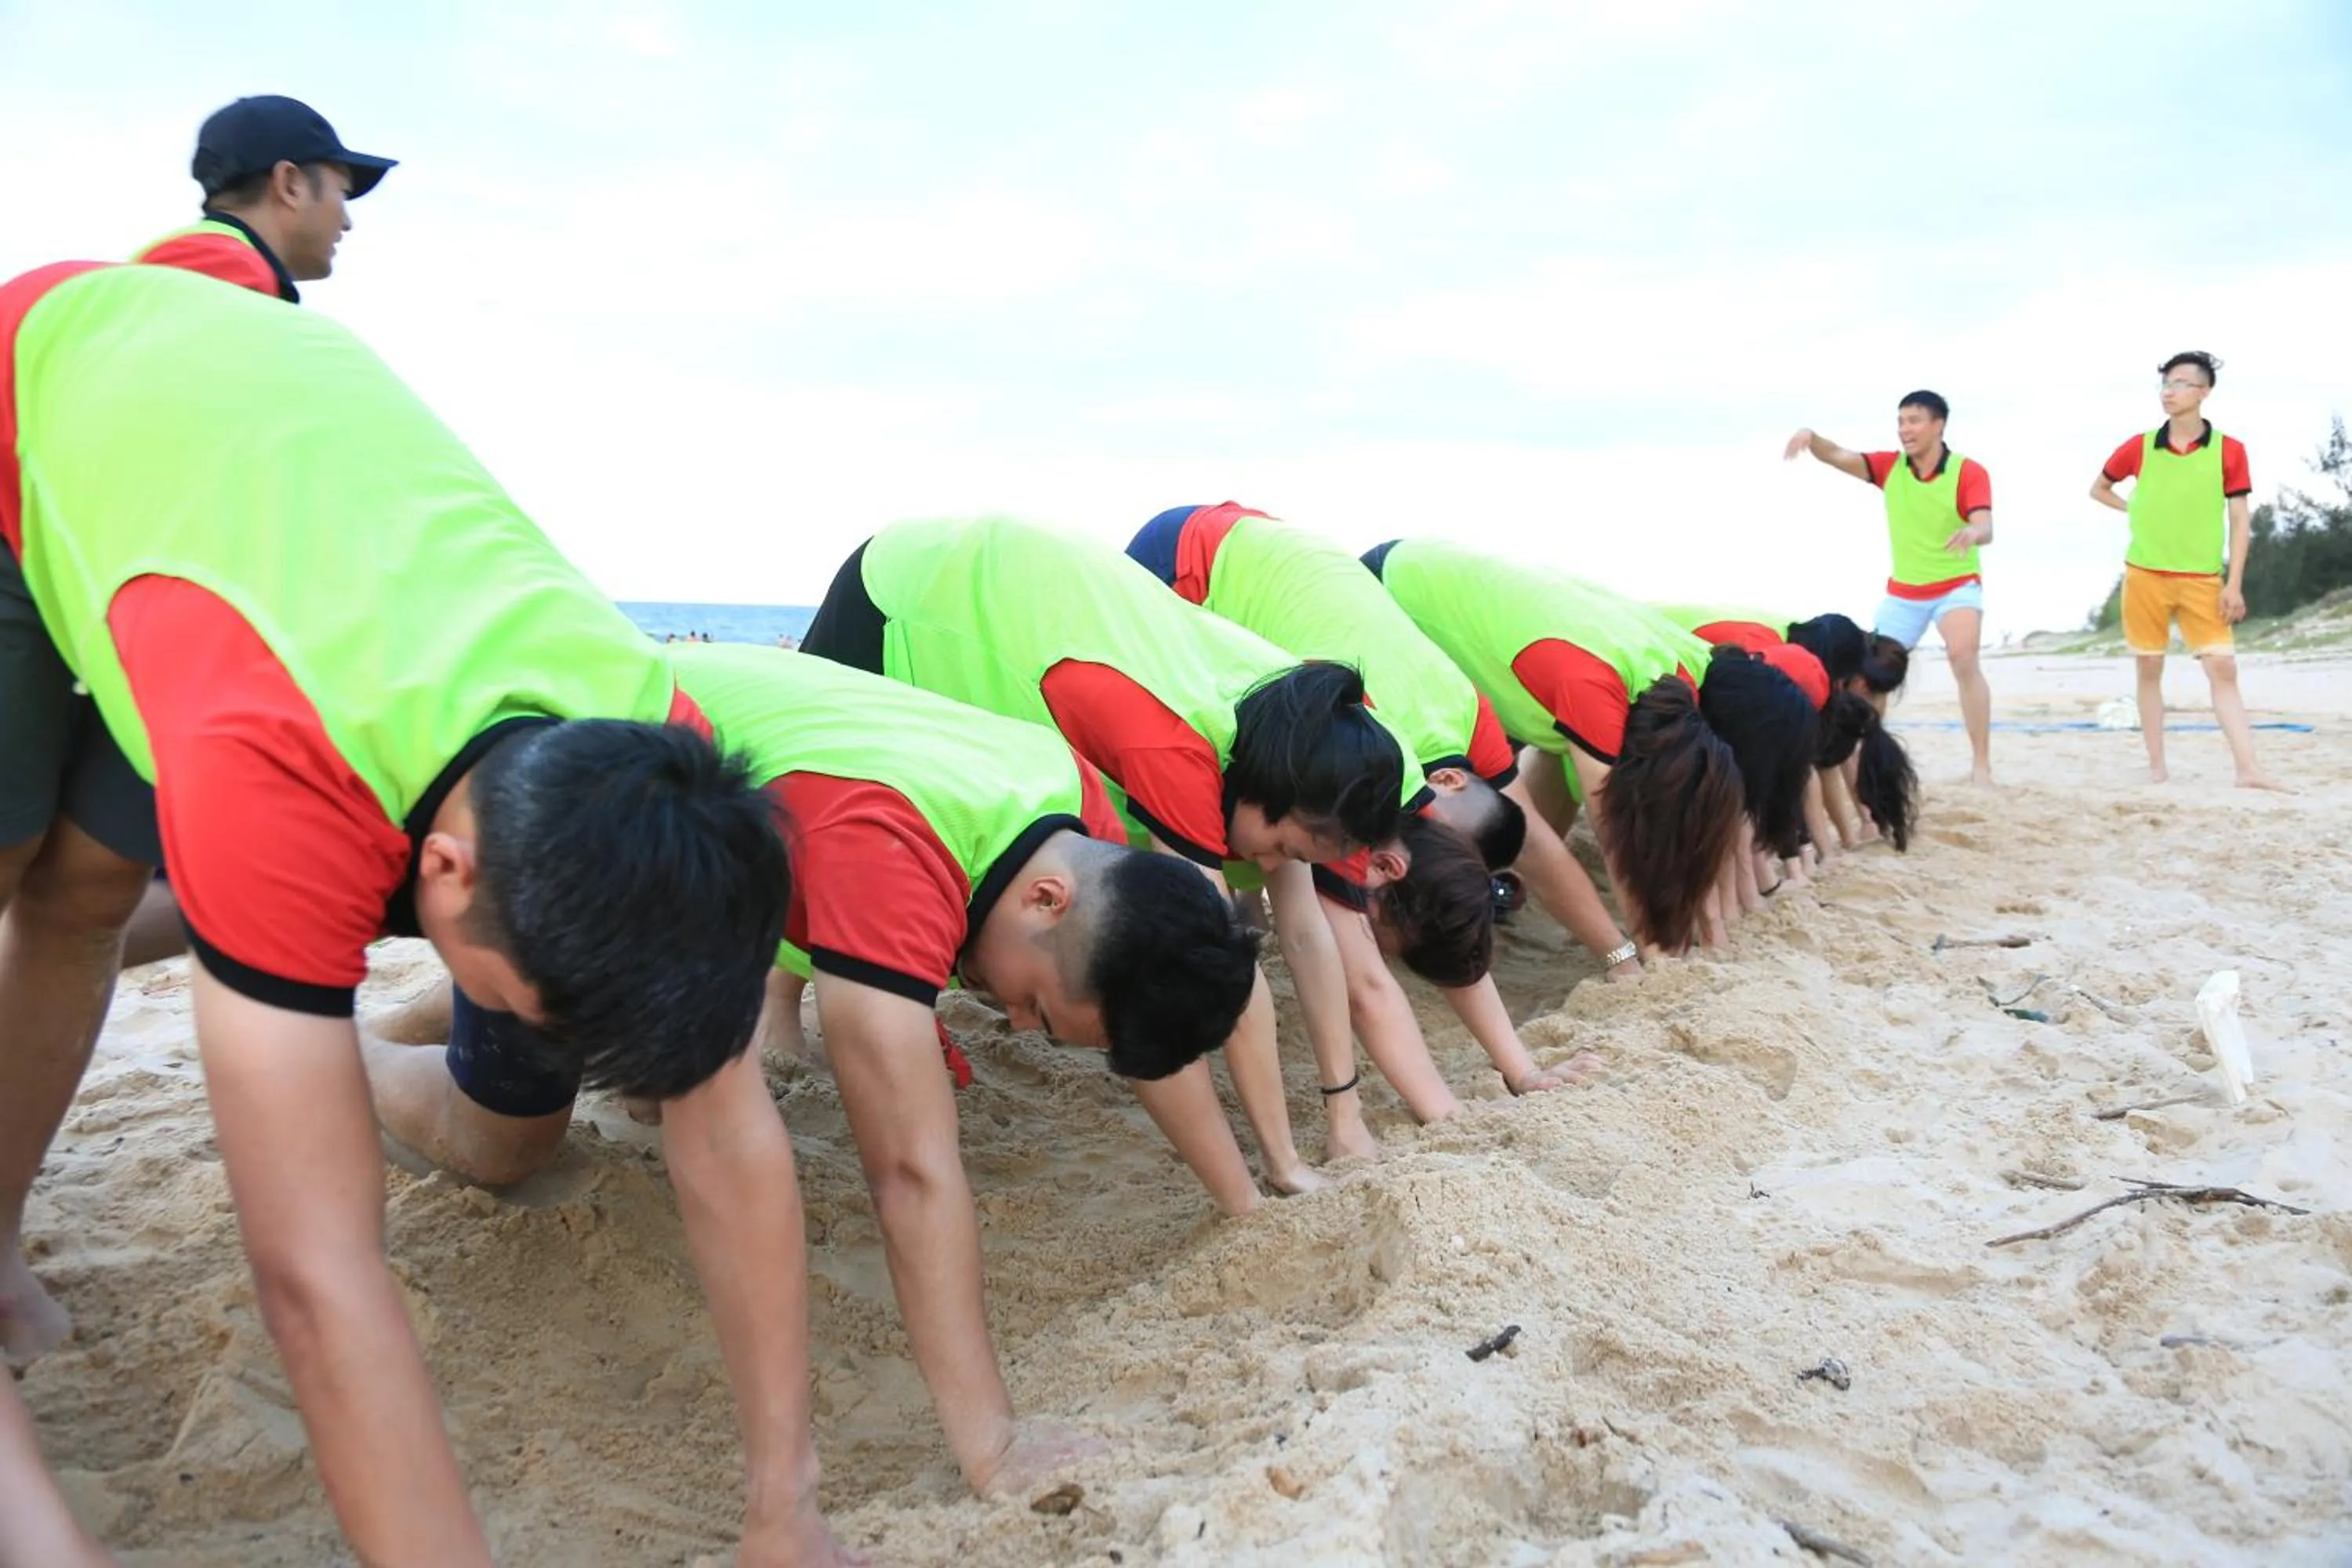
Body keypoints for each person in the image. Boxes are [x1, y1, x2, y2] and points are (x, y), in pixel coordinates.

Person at [0, 259, 858, 1566]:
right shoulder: (272, 768)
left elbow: (730, 1135)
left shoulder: (658, 743)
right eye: (524, 1007)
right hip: (43, 403)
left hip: (249, 504)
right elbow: (319, 1281)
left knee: (95, 888)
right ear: (442, 877)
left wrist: (783, 1509)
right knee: (32, 879)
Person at [369, 643, 1261, 1501]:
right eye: (1037, 1005)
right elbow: (911, 1169)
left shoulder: (1079, 825)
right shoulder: (892, 858)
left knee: (641, 1061)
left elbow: (1142, 1001)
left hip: (687, 796)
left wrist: (1246, 1204)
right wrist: (994, 1441)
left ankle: (431, 1012)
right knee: (502, 1142)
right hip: (580, 824)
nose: (1016, 1023)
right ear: (1045, 899)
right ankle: (341, 1047)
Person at [800, 515, 1413, 1181]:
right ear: (1272, 788)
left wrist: (1343, 1114)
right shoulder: (1171, 746)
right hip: (908, 594)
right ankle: (778, 1016)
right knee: (829, 840)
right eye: (1279, 848)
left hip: (1023, 588)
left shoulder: (1297, 719)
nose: (1268, 868)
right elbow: (1199, 963)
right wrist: (1282, 1160)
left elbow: (1305, 933)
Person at [1129, 503, 1594, 1129]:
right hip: (1190, 562)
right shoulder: (1354, 797)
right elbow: (1365, 984)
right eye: (1376, 915)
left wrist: (1522, 1069)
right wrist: (1438, 1114)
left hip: (1282, 549)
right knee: (1201, 853)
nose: (1366, 923)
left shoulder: (1415, 776)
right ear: (1383, 863)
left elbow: (1442, 911)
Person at [1365, 539, 1817, 959]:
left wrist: (1718, 922)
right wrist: (1646, 950)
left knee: (1534, 790)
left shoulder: (1674, 689)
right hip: (1395, 590)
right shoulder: (1594, 692)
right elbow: (1616, 843)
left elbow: (1708, 810)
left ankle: (1503, 886)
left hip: (1467, 603)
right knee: (1440, 784)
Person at [2089, 351, 2285, 790]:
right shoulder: (2139, 446)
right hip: (2144, 575)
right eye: (2165, 384)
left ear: (2204, 392)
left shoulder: (2228, 450)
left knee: (2222, 669)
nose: (2169, 392)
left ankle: (2248, 771)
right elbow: (2099, 488)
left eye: (2180, 383)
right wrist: (2133, 508)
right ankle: (2157, 766)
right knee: (2149, 668)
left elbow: (2239, 520)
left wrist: (2233, 583)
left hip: (2202, 580)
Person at [1784, 390, 1998, 785]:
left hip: (1956, 585)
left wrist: (1973, 531)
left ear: (1938, 425)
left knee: (1963, 658)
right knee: (1869, 672)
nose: (1905, 429)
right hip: (1904, 592)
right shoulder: (1889, 468)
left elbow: (1985, 525)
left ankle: (1981, 763)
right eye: (1901, 421)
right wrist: (1811, 438)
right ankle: (1863, 762)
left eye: (1914, 421)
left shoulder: (1969, 472)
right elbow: (1839, 455)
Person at [1652, 605, 1919, 859]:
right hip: (1656, 636)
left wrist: (1856, 829)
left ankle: (1836, 841)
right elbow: (1792, 765)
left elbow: (1826, 758)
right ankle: (1822, 848)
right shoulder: (1765, 660)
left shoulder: (1800, 644)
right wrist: (1810, 851)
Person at [135, 95, 395, 302]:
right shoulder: (227, 275)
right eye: (343, 192)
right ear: (291, 185)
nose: (347, 222)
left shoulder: (160, 266)